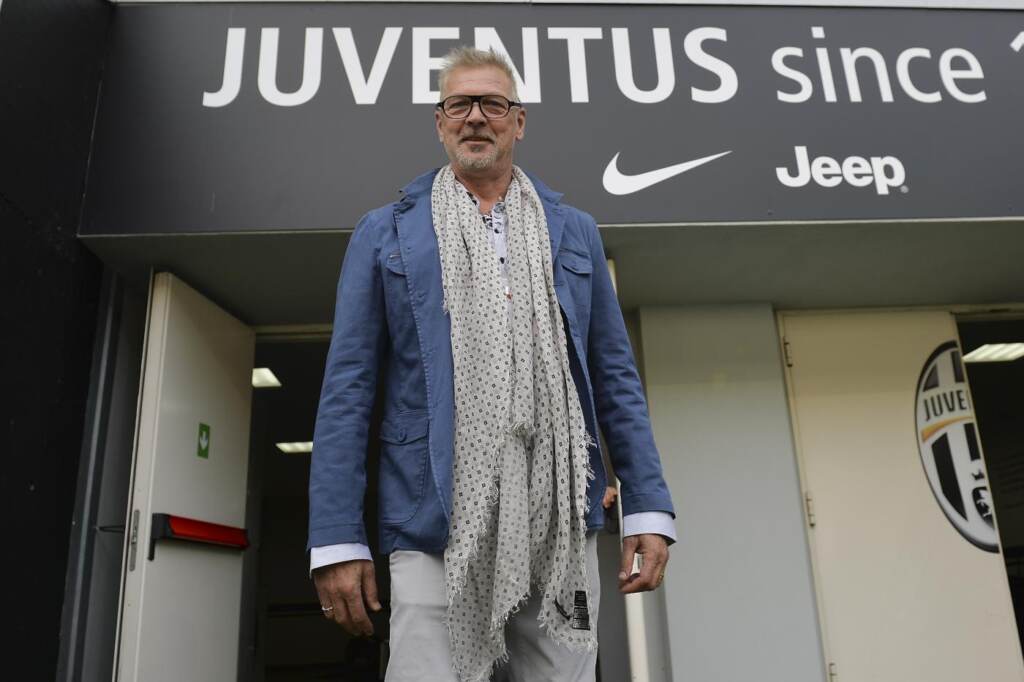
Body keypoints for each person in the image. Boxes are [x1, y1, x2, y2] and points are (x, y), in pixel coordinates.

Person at [307, 46, 677, 682]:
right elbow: (348, 390)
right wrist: (337, 536)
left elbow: (614, 377)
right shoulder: (384, 231)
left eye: (493, 104)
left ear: (518, 121)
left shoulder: (575, 231)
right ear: (440, 121)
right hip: (433, 521)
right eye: (459, 104)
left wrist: (646, 506)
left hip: (558, 523)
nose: (475, 117)